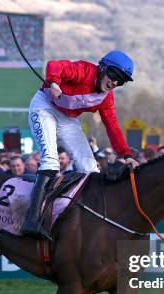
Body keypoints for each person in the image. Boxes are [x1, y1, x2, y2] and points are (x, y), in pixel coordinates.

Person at [22, 50, 139, 239]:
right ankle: (32, 220)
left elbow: (113, 128)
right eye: (114, 75)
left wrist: (127, 155)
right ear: (102, 68)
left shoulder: (106, 98)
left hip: (68, 120)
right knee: (51, 161)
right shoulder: (84, 71)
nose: (115, 83)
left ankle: (87, 221)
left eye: (121, 81)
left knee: (91, 169)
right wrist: (54, 82)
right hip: (45, 108)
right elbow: (55, 65)